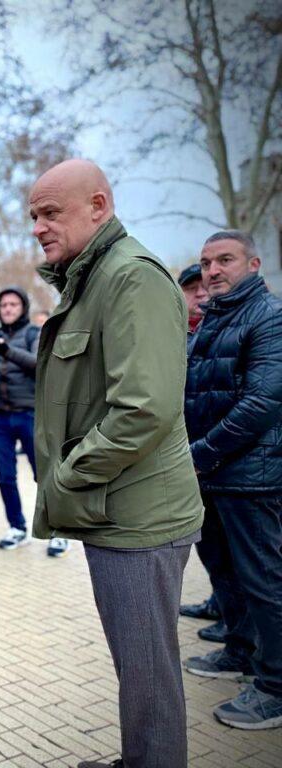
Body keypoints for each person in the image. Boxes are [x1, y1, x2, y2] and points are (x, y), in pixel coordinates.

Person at [30, 158, 203, 768]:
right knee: (139, 668)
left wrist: (66, 476)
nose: (39, 228)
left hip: (136, 520)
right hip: (119, 509)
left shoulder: (131, 277)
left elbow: (143, 409)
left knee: (149, 677)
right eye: (34, 217)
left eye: (51, 213)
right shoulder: (93, 277)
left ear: (98, 206)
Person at [182, 231, 282, 730]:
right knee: (226, 573)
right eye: (205, 262)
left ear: (254, 263)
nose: (213, 270)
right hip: (215, 474)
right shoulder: (214, 317)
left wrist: (199, 453)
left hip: (251, 477)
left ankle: (275, 688)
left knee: (265, 582)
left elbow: (262, 404)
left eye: (225, 259)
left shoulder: (269, 316)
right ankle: (240, 651)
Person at [0, 288, 70, 557]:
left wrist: (5, 349)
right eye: (3, 305)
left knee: (44, 475)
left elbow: (39, 364)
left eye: (13, 304)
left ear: (23, 307)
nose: (8, 309)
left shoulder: (36, 333)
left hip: (30, 415)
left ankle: (58, 531)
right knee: (5, 477)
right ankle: (17, 527)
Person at [175, 263, 223, 640]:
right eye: (191, 288)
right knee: (210, 546)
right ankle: (220, 605)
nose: (200, 292)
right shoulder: (176, 333)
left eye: (203, 285)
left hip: (220, 459)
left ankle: (244, 638)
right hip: (193, 463)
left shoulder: (223, 329)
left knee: (247, 561)